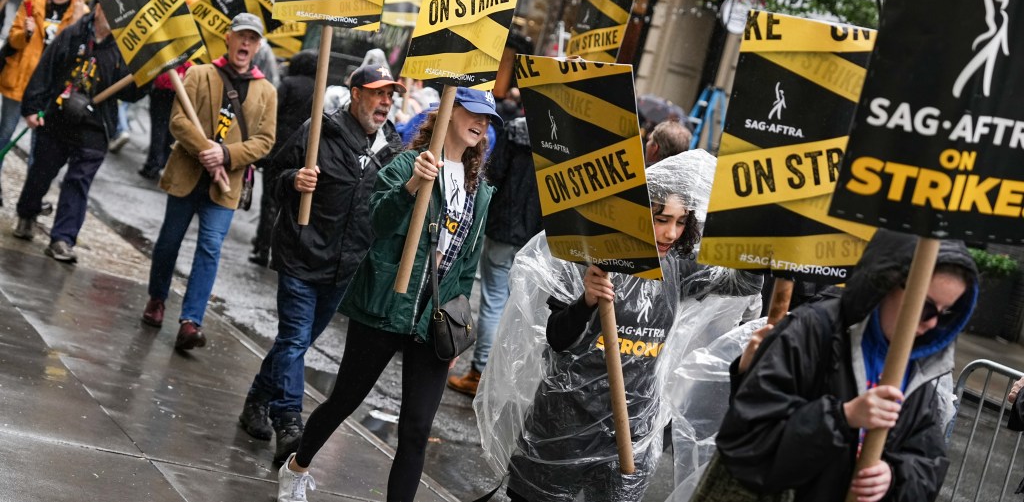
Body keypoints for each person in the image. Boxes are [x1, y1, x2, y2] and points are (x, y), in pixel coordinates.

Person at [479, 150, 761, 502]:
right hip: (566, 424)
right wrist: (586, 301)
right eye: (661, 219)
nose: (671, 232)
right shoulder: (589, 255)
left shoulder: (678, 266)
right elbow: (557, 337)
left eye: (680, 221)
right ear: (638, 212)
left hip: (630, 432)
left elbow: (743, 284)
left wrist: (759, 232)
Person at [276, 87, 499, 502]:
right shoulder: (405, 164)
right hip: (384, 305)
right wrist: (413, 184)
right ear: (449, 112)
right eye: (475, 113)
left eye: (488, 120)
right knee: (345, 399)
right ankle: (298, 465)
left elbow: (467, 267)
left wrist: (457, 324)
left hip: (435, 319)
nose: (482, 124)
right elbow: (377, 220)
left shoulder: (479, 191)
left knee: (415, 429)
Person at [710, 230, 979, 502]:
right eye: (926, 307)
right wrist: (842, 417)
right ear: (886, 282)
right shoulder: (810, 331)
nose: (932, 324)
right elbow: (747, 444)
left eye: (948, 313)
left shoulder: (923, 360)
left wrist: (895, 476)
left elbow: (928, 459)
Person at [239, 63, 405, 463]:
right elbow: (276, 175)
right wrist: (294, 179)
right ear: (356, 94)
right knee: (295, 339)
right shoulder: (319, 132)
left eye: (390, 95)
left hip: (345, 268)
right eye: (378, 93)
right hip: (301, 254)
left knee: (294, 344)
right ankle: (290, 422)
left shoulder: (393, 149)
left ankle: (255, 402)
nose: (385, 102)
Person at [140, 12, 277, 351]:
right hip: (187, 175)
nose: (245, 43)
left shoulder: (267, 92)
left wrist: (226, 156)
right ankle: (157, 298)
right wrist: (207, 150)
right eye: (240, 36)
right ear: (228, 38)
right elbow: (178, 121)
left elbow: (265, 141)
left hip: (224, 185)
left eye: (252, 39)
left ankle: (191, 321)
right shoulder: (199, 74)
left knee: (210, 248)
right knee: (168, 243)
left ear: (258, 46)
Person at [11, 4, 143, 262]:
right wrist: (32, 107)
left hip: (95, 126)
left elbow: (130, 92)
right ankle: (27, 214)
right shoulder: (72, 34)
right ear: (97, 8)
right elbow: (45, 70)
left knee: (78, 182)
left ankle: (62, 238)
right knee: (41, 171)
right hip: (58, 118)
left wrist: (146, 78)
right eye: (108, 8)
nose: (113, 15)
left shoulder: (125, 47)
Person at [447, 114, 542, 397]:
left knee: (493, 301)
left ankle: (479, 372)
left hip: (503, 226)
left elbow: (495, 172)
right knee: (520, 307)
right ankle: (502, 376)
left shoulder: (517, 129)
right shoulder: (564, 138)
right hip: (536, 235)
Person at [0, 0, 86, 205]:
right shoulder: (33, 0)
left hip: (49, 90)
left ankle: (29, 202)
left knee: (40, 150)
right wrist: (25, 33)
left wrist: (79, 21)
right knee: (4, 134)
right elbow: (13, 41)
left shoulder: (79, 12)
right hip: (19, 80)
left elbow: (77, 52)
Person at [249, 49, 317, 266]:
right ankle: (280, 251)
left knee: (269, 200)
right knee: (290, 205)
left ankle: (263, 247)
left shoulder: (287, 84)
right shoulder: (319, 89)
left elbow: (271, 114)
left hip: (278, 150)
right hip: (303, 152)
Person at [138, 63, 192, 180]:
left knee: (159, 130)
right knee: (170, 130)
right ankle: (163, 163)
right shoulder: (188, 60)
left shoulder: (169, 56)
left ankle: (153, 165)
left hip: (163, 92)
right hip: (176, 94)